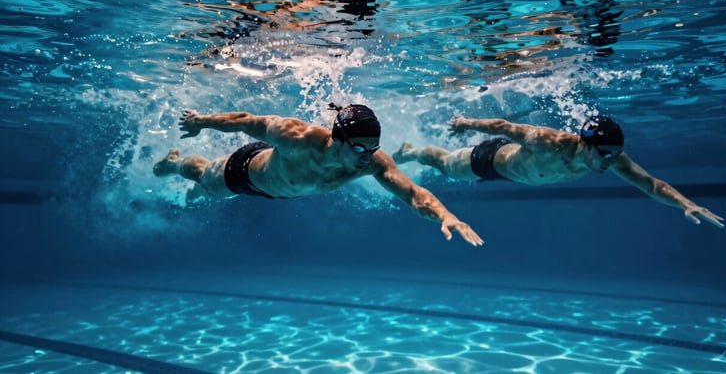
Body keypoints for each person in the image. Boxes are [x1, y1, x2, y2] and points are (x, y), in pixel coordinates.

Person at [153, 104, 484, 246]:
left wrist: (444, 214)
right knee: (204, 179)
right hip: (248, 172)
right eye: (357, 149)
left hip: (278, 191)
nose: (365, 158)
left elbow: (411, 192)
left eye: (372, 148)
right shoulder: (297, 137)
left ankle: (186, 185)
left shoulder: (371, 162)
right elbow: (245, 120)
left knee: (197, 196)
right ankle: (174, 162)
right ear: (337, 138)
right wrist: (200, 122)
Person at [393, 115, 725, 228]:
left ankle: (416, 152)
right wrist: (467, 124)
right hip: (493, 160)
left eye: (615, 155)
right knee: (446, 165)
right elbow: (505, 126)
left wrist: (684, 203)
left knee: (449, 168)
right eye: (606, 154)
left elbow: (651, 184)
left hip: (517, 175)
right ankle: (412, 151)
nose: (611, 162)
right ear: (586, 143)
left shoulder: (611, 158)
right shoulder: (550, 141)